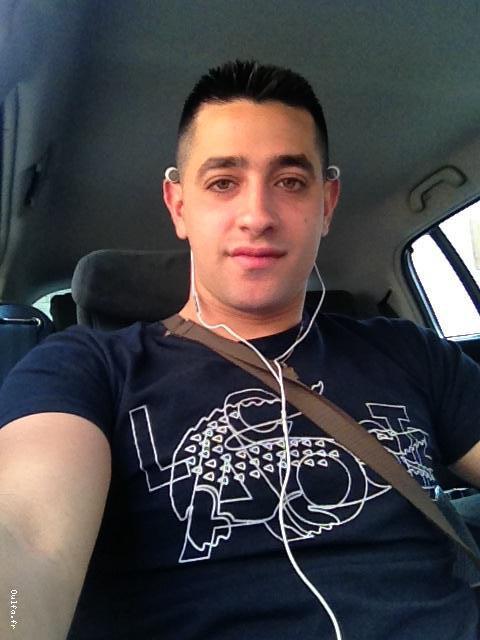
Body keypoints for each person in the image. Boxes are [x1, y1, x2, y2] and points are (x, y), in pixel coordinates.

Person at [1, 59, 480, 640]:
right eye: (223, 182)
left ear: (327, 204)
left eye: (291, 181)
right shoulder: (85, 369)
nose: (257, 216)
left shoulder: (410, 353)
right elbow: (26, 536)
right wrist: (14, 612)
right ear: (179, 205)